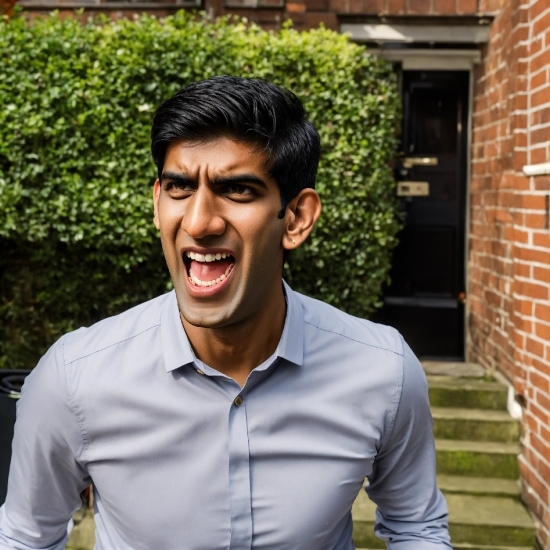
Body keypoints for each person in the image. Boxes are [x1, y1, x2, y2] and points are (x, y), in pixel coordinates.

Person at [0, 76, 450, 549]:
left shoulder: (383, 370)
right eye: (178, 187)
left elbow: (416, 528)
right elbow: (24, 538)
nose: (198, 222)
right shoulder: (73, 378)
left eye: (237, 190)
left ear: (296, 218)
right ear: (157, 203)